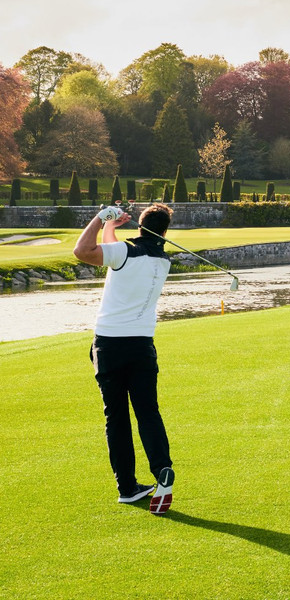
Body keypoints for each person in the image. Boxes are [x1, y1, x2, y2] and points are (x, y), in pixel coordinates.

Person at [74, 202, 176, 515]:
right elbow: (112, 251)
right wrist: (112, 229)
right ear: (164, 232)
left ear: (140, 228)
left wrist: (102, 217)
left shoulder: (124, 253)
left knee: (116, 417)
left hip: (109, 345)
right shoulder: (163, 262)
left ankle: (127, 487)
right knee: (148, 412)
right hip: (142, 346)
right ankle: (161, 470)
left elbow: (82, 251)